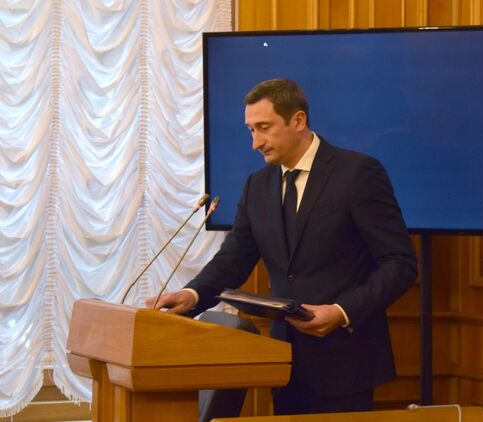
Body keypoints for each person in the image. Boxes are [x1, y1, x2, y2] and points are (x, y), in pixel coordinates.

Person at [148, 78, 417, 416]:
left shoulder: (357, 173)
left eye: (264, 128)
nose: (255, 143)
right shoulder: (257, 186)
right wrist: (193, 294)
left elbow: (400, 263)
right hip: (285, 361)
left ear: (298, 120)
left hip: (345, 361)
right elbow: (233, 259)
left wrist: (341, 311)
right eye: (250, 130)